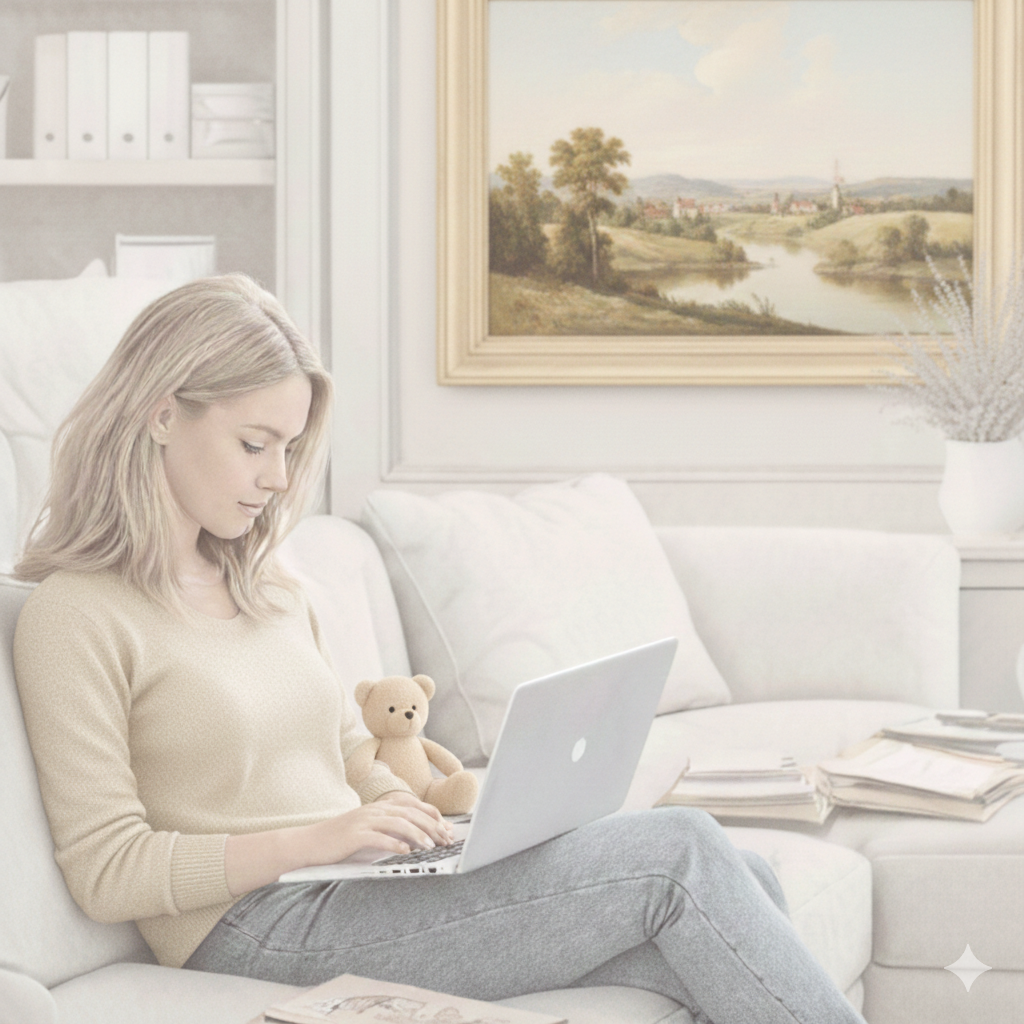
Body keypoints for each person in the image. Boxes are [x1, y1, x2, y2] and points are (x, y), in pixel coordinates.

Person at [12, 274, 866, 1024]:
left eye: (290, 448)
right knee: (683, 853)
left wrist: (429, 822)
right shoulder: (76, 616)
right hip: (251, 926)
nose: (277, 479)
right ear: (162, 412)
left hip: (354, 888)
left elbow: (346, 749)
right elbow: (107, 869)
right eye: (253, 444)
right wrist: (317, 841)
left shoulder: (267, 588)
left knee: (740, 887)